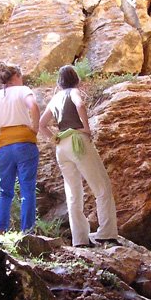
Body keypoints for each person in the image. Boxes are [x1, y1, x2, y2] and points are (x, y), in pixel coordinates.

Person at [38, 64, 118, 248]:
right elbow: (80, 104)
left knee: (73, 193)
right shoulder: (73, 92)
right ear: (76, 79)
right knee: (102, 186)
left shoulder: (55, 98)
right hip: (77, 141)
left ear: (59, 81)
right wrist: (86, 128)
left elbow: (41, 124)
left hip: (62, 147)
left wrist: (53, 139)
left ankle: (80, 239)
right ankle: (106, 233)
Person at [0, 62, 40, 233]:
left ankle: (0, 230)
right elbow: (33, 106)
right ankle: (27, 231)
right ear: (17, 76)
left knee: (5, 190)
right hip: (25, 142)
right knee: (27, 189)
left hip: (3, 145)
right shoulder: (23, 90)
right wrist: (35, 128)